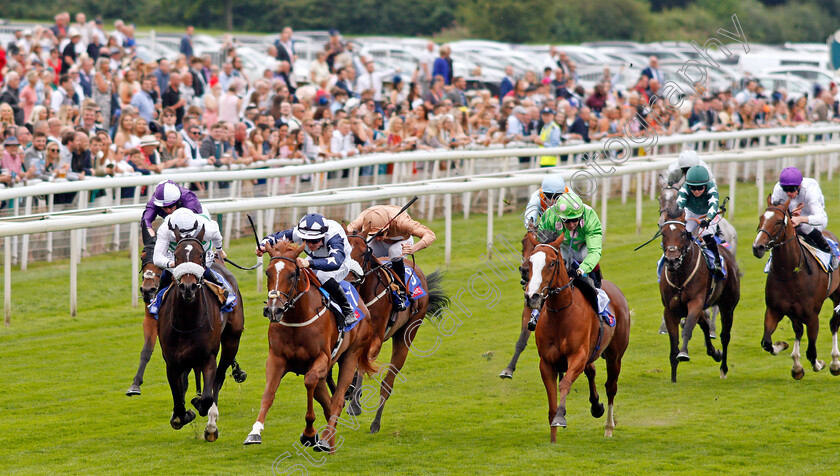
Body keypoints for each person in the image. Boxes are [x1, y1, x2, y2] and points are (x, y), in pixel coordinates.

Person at [256, 213, 358, 328]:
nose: (310, 244)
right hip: (315, 258)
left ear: (323, 236)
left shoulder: (334, 235)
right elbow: (273, 237)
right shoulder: (300, 231)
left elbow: (336, 261)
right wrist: (262, 246)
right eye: (307, 240)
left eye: (314, 241)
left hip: (340, 262)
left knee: (322, 276)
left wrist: (309, 263)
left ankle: (347, 311)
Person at [531, 191, 603, 330]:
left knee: (587, 263)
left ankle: (599, 305)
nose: (571, 224)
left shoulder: (590, 217)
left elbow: (594, 251)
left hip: (584, 247)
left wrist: (581, 270)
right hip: (561, 245)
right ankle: (536, 312)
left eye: (575, 219)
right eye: (567, 221)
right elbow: (543, 245)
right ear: (559, 217)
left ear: (581, 215)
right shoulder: (550, 216)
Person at [348, 205, 436, 311]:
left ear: (388, 227)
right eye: (374, 235)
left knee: (394, 252)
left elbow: (430, 235)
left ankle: (401, 292)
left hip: (402, 242)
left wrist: (413, 248)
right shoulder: (364, 217)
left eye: (380, 234)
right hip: (379, 244)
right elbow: (346, 233)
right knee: (364, 253)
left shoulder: (402, 221)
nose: (378, 238)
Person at [150, 208, 229, 315]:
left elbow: (217, 237)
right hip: (176, 255)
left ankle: (226, 290)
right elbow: (157, 257)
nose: (186, 236)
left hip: (202, 251)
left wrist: (219, 251)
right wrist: (172, 264)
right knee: (167, 274)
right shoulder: (164, 229)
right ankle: (157, 301)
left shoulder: (208, 228)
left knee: (205, 271)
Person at [771, 167, 837, 268]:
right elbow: (776, 212)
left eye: (792, 189)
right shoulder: (778, 190)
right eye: (785, 190)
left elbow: (822, 220)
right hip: (791, 217)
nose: (788, 193)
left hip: (812, 219)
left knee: (803, 227)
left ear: (799, 186)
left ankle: (828, 251)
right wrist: (790, 215)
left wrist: (801, 219)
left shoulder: (811, 189)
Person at [677, 165, 722, 276]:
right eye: (693, 188)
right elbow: (678, 206)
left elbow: (714, 206)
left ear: (705, 186)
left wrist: (707, 219)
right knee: (682, 232)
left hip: (707, 214)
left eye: (700, 188)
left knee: (707, 235)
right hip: (691, 212)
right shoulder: (684, 189)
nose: (696, 191)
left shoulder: (712, 188)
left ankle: (717, 262)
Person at [142, 180, 206, 237]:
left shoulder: (189, 199)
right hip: (172, 223)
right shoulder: (155, 201)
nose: (168, 210)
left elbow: (192, 225)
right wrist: (148, 229)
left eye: (170, 206)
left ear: (178, 201)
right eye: (164, 207)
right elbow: (146, 220)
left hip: (197, 220)